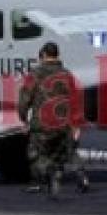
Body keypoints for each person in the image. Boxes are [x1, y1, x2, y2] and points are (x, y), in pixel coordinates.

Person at [18, 41, 78, 198]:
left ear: (44, 54)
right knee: (58, 152)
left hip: (42, 122)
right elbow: (74, 99)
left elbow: (25, 97)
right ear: (57, 54)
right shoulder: (67, 74)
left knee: (36, 152)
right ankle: (56, 173)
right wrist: (75, 123)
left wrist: (23, 118)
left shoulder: (36, 74)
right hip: (62, 122)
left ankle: (38, 182)